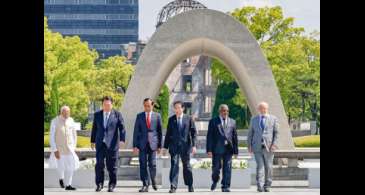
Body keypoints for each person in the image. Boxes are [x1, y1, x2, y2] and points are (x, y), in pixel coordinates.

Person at [91, 96, 126, 192]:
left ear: (112, 104)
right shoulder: (97, 114)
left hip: (112, 144)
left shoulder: (117, 114)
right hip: (100, 144)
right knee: (99, 165)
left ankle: (112, 185)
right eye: (104, 105)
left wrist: (122, 140)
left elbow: (122, 128)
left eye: (108, 104)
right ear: (102, 105)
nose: (106, 106)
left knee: (112, 166)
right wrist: (92, 141)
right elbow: (94, 128)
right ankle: (99, 184)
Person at [163, 101, 197, 193]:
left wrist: (194, 145)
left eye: (178, 108)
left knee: (187, 166)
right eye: (175, 108)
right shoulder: (171, 119)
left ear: (182, 108)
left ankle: (190, 185)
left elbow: (193, 133)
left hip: (185, 147)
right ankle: (173, 186)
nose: (177, 110)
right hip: (174, 147)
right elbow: (168, 134)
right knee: (174, 165)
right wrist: (165, 147)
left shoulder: (188, 119)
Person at [247, 102, 279, 192]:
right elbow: (250, 133)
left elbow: (276, 133)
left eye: (264, 108)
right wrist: (249, 145)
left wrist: (274, 144)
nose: (262, 110)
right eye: (261, 108)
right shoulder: (254, 119)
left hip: (269, 147)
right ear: (258, 109)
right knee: (260, 166)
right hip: (257, 146)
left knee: (268, 167)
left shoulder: (273, 119)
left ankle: (267, 185)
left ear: (267, 109)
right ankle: (259, 185)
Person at [206, 104, 238, 192]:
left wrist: (236, 151)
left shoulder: (232, 122)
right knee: (216, 168)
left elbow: (235, 137)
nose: (225, 112)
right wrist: (209, 150)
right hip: (217, 148)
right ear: (220, 111)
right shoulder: (213, 121)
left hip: (228, 149)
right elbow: (209, 136)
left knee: (227, 167)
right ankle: (215, 180)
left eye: (227, 111)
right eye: (223, 111)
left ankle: (225, 186)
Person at [133, 98, 162, 192]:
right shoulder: (139, 116)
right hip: (142, 144)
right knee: (143, 164)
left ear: (152, 105)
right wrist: (135, 145)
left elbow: (160, 132)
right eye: (145, 106)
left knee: (152, 164)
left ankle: (153, 180)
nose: (147, 107)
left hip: (153, 144)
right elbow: (136, 131)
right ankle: (145, 184)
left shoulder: (157, 116)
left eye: (148, 105)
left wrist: (160, 146)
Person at [49, 105, 79, 191]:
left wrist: (74, 147)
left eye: (68, 112)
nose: (67, 114)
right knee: (60, 167)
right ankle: (61, 178)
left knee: (71, 166)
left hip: (70, 149)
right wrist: (55, 150)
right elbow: (51, 136)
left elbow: (74, 134)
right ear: (61, 112)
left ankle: (68, 184)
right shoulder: (54, 121)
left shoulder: (71, 120)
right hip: (59, 149)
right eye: (65, 112)